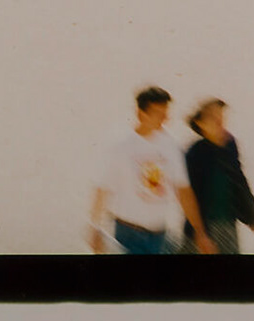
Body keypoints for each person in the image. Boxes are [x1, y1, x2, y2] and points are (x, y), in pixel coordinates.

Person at [88, 87, 215, 255]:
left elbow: (183, 191)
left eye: (165, 114)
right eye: (158, 114)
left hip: (159, 237)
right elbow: (104, 189)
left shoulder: (171, 146)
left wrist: (200, 233)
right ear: (141, 114)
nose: (164, 120)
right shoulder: (121, 146)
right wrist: (95, 227)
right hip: (128, 236)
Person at [181, 99, 254, 254]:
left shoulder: (230, 144)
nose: (219, 120)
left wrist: (252, 214)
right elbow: (190, 197)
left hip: (228, 223)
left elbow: (238, 179)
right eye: (212, 116)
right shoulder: (195, 153)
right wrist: (200, 233)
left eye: (221, 115)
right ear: (200, 123)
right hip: (203, 228)